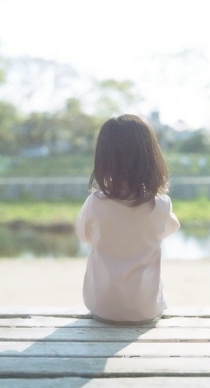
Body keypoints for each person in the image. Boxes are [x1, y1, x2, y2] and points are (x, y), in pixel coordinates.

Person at [76, 114, 180, 325]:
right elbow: (172, 227)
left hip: (102, 307)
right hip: (146, 310)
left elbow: (84, 236)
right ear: (151, 157)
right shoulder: (161, 205)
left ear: (104, 159)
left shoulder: (95, 203)